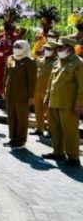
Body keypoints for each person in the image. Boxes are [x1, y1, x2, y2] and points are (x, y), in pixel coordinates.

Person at [42, 37, 83, 167]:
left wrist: (79, 103)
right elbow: (50, 83)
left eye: (61, 47)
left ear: (70, 49)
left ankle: (73, 157)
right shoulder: (58, 62)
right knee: (55, 129)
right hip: (54, 101)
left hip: (68, 104)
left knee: (70, 130)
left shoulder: (79, 63)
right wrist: (47, 98)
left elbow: (82, 85)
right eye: (58, 48)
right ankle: (58, 152)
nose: (58, 50)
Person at [3, 40, 37, 149]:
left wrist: (31, 97)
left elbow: (32, 81)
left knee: (21, 118)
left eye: (19, 46)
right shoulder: (10, 58)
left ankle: (21, 140)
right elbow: (6, 75)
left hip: (22, 95)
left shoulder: (29, 62)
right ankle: (12, 138)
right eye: (15, 46)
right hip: (10, 94)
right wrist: (4, 89)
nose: (16, 48)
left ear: (25, 48)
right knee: (11, 117)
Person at [31, 41, 58, 137]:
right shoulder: (39, 60)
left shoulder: (57, 62)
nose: (47, 50)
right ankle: (39, 128)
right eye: (46, 48)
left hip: (48, 91)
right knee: (38, 111)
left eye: (49, 49)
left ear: (55, 50)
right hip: (37, 89)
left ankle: (51, 130)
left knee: (50, 113)